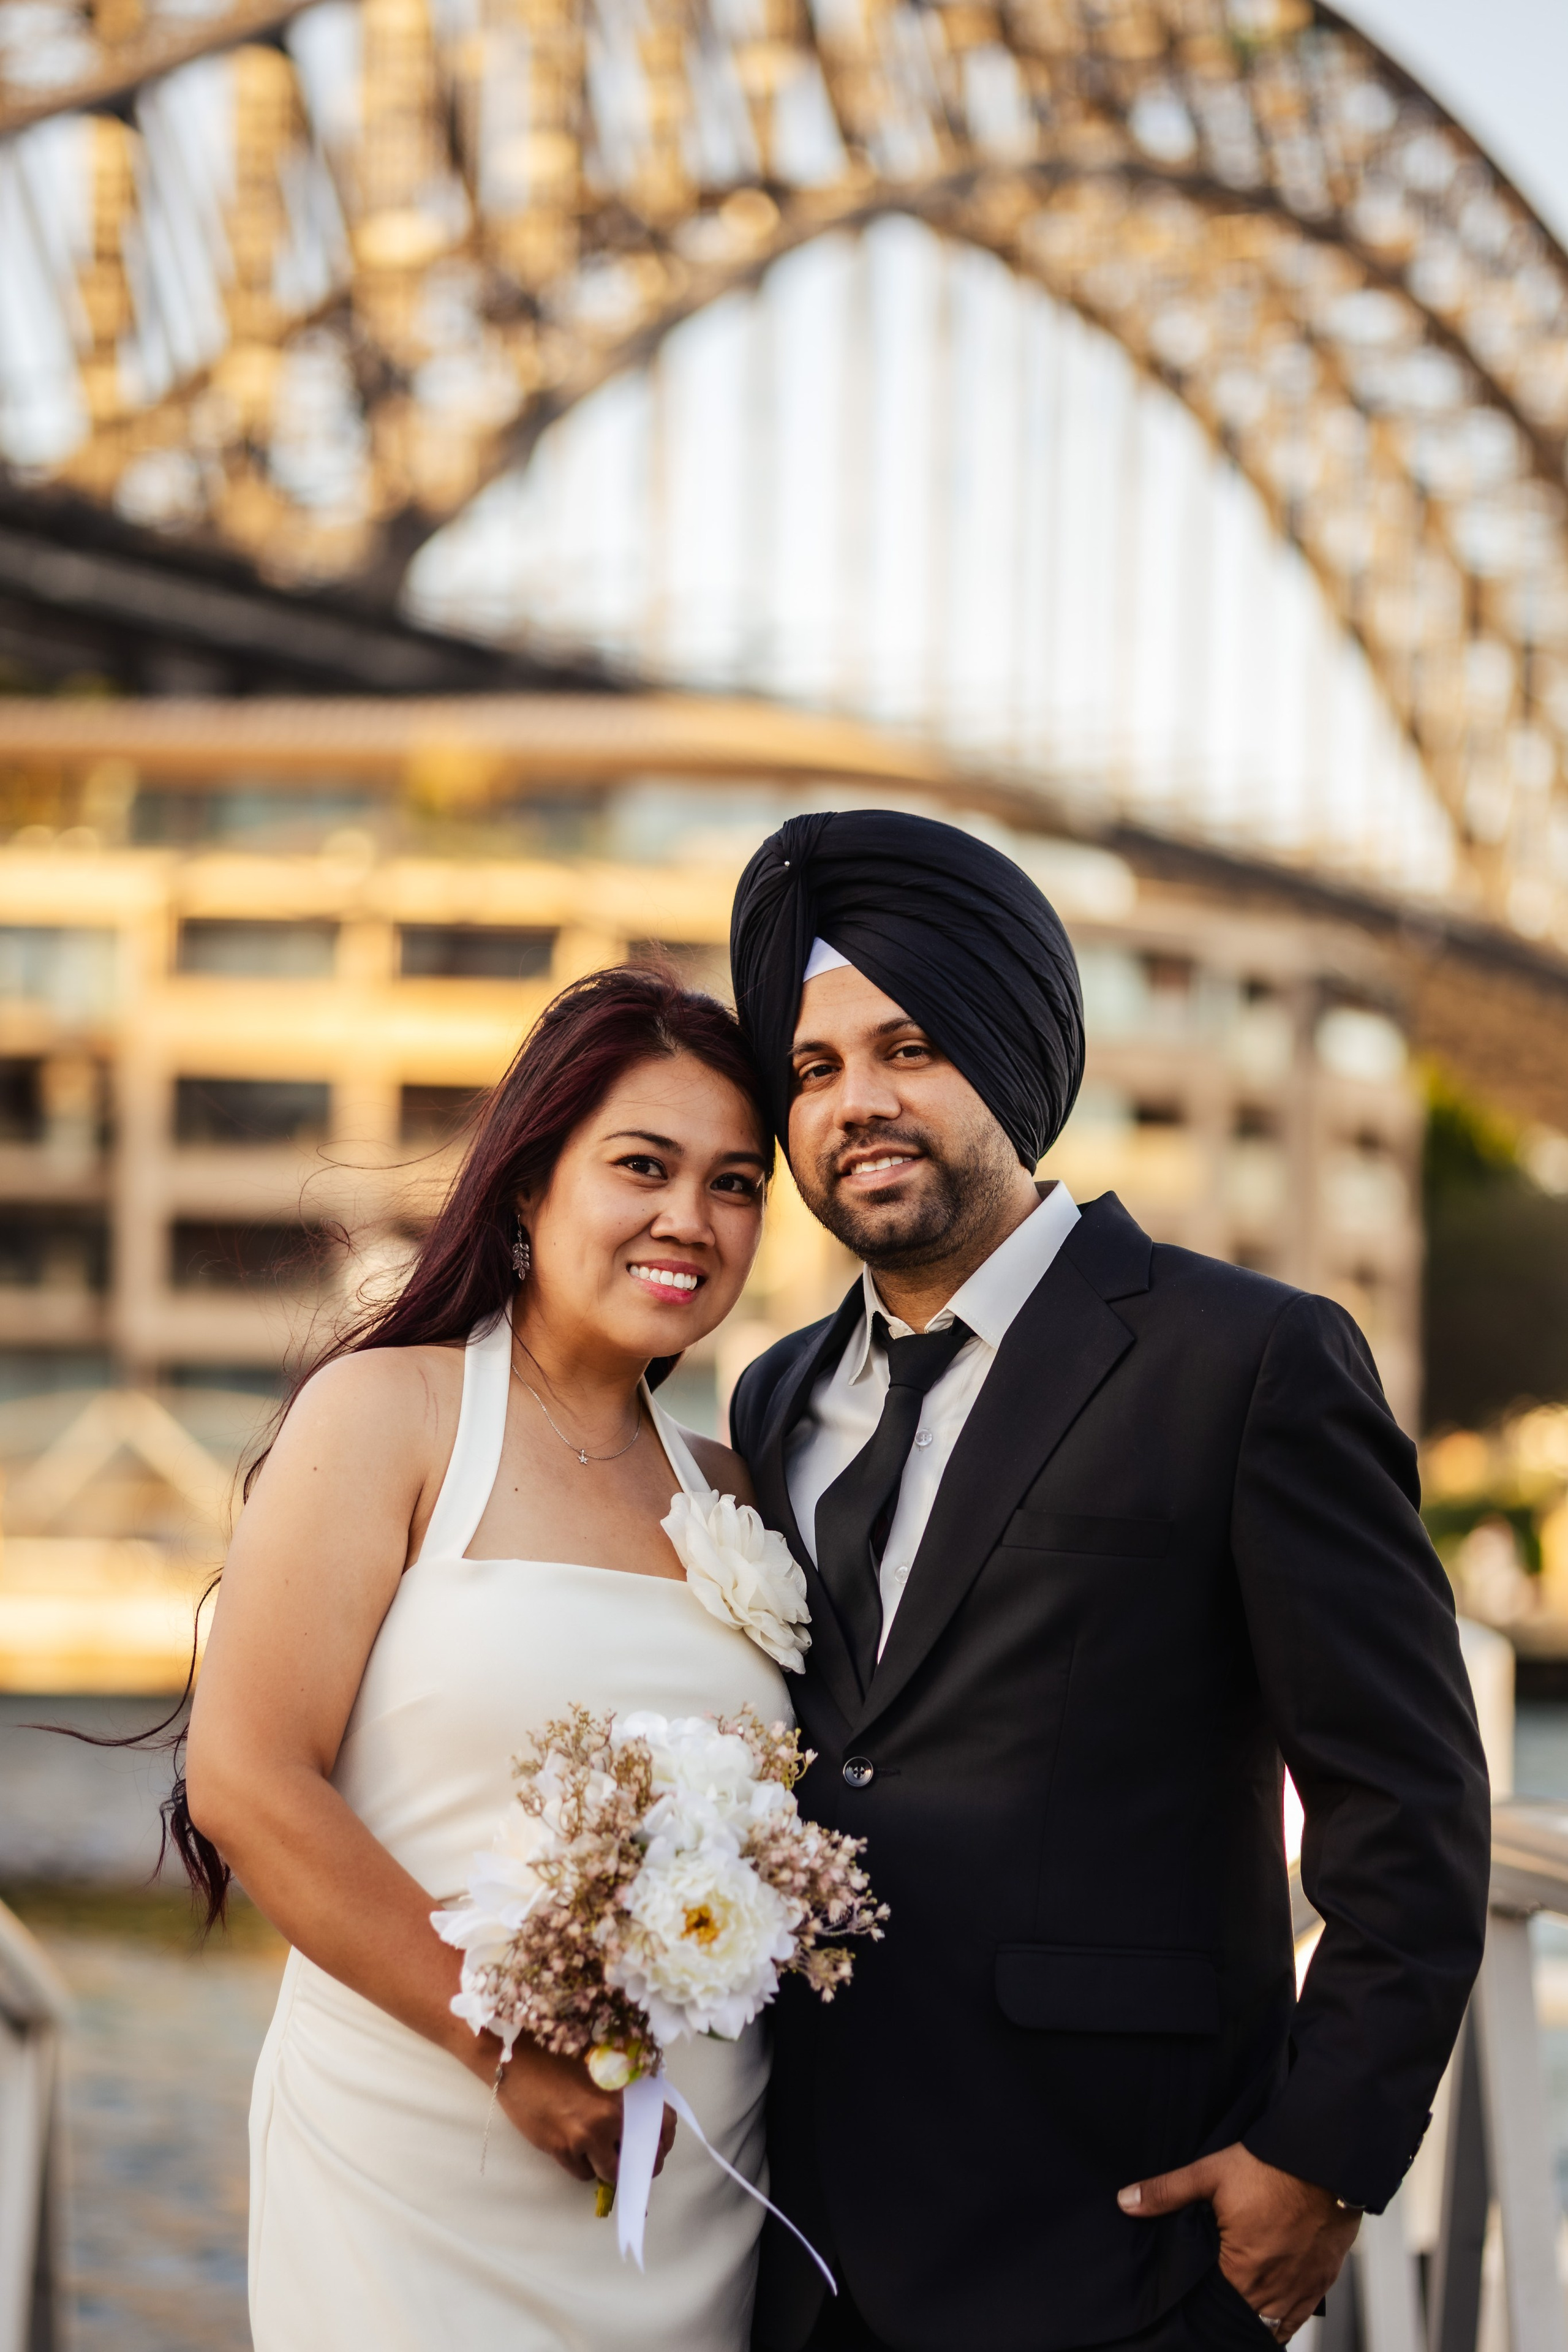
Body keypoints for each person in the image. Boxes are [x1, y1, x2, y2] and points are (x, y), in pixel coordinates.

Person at [726, 809, 1491, 2352]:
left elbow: (1406, 1810)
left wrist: (1316, 2163)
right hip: (796, 2254)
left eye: (908, 1047)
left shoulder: (1249, 1360)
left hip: (1117, 2252)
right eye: (811, 1070)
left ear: (1011, 1054)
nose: (856, 1103)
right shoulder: (772, 1398)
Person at [183, 966, 793, 2352]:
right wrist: (506, 2045)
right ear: (527, 1185)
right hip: (418, 2162)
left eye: (735, 1184)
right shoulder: (386, 1414)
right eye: (642, 1166)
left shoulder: (739, 1491)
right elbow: (247, 1779)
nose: (689, 1219)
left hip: (690, 2190)